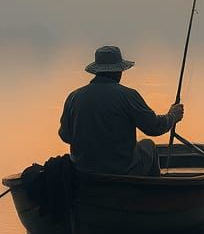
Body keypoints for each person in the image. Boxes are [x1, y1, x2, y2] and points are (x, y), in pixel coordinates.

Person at [59, 45, 184, 177]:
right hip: (121, 170)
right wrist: (172, 116)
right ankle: (154, 192)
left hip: (83, 170)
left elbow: (65, 135)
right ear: (118, 71)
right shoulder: (128, 96)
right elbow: (154, 128)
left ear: (96, 71)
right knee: (148, 145)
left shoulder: (74, 97)